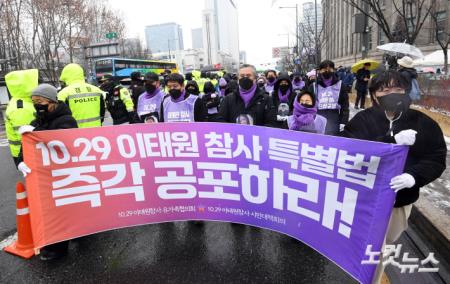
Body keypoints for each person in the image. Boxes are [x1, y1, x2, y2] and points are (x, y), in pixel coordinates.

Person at [342, 71, 446, 284]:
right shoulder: (362, 120)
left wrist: (414, 176)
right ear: (374, 94)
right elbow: (349, 154)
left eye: (398, 89)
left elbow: (435, 157)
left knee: (386, 242)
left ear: (407, 92)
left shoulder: (423, 123)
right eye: (385, 90)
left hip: (400, 201)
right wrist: (390, 140)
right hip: (365, 199)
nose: (392, 94)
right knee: (373, 248)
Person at [17, 84, 78, 260]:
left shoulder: (66, 120)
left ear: (52, 101)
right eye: (34, 102)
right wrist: (21, 161)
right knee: (49, 212)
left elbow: (62, 144)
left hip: (64, 175)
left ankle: (59, 249)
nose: (37, 105)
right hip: (45, 176)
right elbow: (27, 145)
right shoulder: (37, 121)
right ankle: (57, 242)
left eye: (40, 101)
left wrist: (36, 132)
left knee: (62, 211)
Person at [4, 69, 39, 165]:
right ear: (27, 85)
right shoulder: (21, 108)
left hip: (24, 153)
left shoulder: (23, 102)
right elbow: (26, 136)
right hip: (27, 154)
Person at [309, 60, 349, 135]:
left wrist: (343, 122)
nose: (327, 71)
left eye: (330, 68)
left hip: (334, 117)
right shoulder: (313, 86)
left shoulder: (340, 85)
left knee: (332, 140)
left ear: (333, 70)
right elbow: (309, 105)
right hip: (318, 116)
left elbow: (345, 105)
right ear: (320, 71)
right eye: (324, 69)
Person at [58, 63, 105, 128]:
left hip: (75, 133)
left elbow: (60, 117)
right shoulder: (96, 90)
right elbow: (102, 111)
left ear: (65, 76)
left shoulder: (63, 93)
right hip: (96, 131)